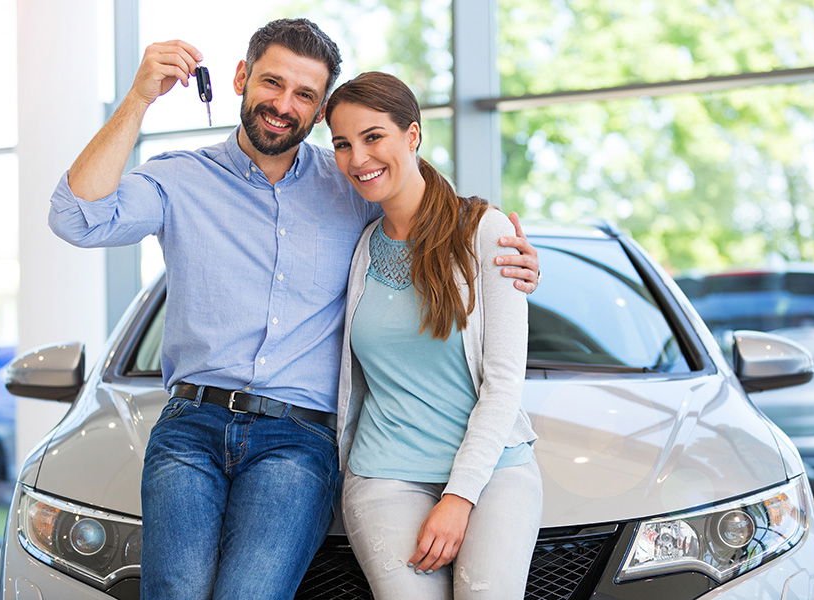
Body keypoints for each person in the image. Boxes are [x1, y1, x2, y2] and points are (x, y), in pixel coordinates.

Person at [48, 18, 540, 600]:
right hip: (190, 426)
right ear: (240, 78)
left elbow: (430, 229)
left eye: (305, 94)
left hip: (297, 437)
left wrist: (510, 259)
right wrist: (138, 100)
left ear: (319, 107)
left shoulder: (351, 188)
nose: (283, 105)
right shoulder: (179, 180)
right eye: (272, 83)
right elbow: (75, 218)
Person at [327, 71, 542, 600]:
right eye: (342, 144)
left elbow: (503, 382)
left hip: (493, 471)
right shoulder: (356, 247)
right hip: (383, 474)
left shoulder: (484, 232)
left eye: (373, 137)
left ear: (413, 136)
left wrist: (459, 497)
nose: (358, 158)